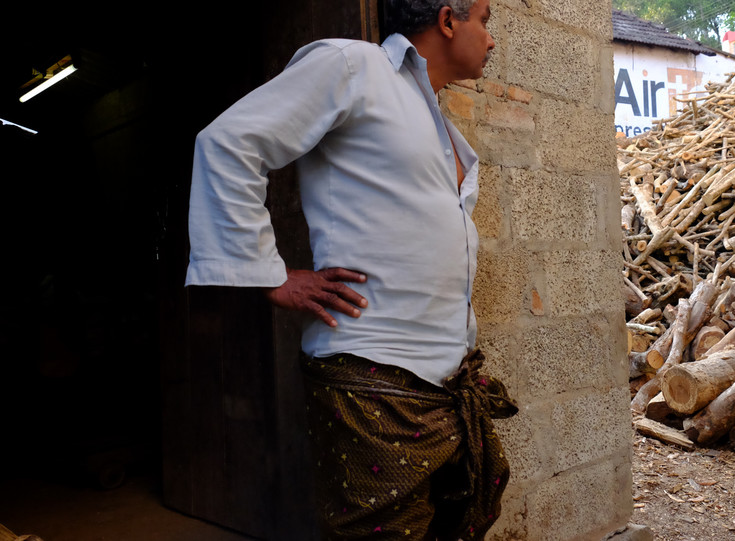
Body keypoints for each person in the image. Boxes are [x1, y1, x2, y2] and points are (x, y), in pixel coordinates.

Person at [184, 0, 517, 539]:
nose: (492, 39)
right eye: (485, 20)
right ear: (448, 20)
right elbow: (228, 143)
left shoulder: (431, 115)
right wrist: (268, 274)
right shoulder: (353, 67)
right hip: (373, 374)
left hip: (446, 375)